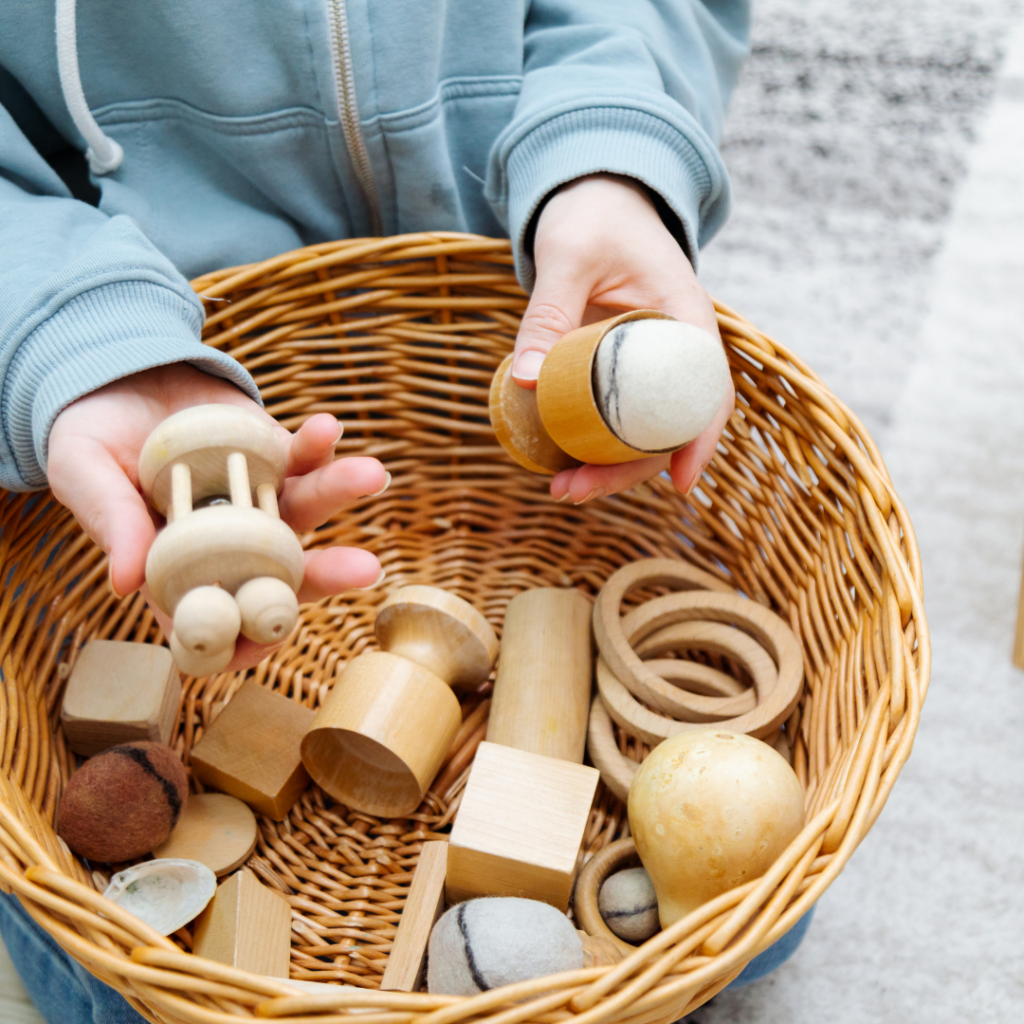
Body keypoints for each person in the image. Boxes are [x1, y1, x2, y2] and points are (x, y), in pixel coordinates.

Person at [0, 3, 810, 1021]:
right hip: (151, 328)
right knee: (117, 988)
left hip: (516, 283)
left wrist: (606, 150)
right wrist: (68, 333)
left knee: (762, 906)